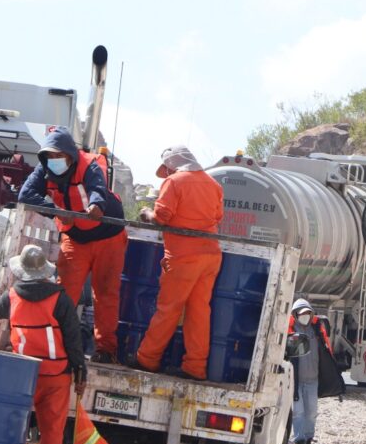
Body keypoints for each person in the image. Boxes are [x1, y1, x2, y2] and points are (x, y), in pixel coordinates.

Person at [18, 126, 127, 364]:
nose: (54, 160)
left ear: (70, 154)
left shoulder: (89, 165)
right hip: (76, 238)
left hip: (109, 236)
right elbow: (25, 195)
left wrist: (96, 207)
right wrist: (56, 212)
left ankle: (106, 349)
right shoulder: (43, 170)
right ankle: (57, 343)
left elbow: (97, 188)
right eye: (50, 156)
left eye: (59, 155)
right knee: (65, 293)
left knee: (106, 294)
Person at [0, 244, 87, 444]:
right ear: (45, 272)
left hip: (23, 373)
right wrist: (79, 369)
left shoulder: (11, 296)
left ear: (21, 271)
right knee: (52, 433)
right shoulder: (60, 299)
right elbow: (73, 339)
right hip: (56, 375)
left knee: (13, 428)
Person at [131, 145, 223, 380]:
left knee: (168, 309)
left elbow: (162, 218)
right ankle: (195, 366)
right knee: (199, 311)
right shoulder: (213, 185)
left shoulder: (174, 182)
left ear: (171, 165)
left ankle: (147, 359)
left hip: (181, 256)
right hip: (211, 256)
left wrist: (146, 213)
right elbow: (217, 217)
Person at [287, 298, 345, 444]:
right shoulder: (290, 331)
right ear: (296, 314)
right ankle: (299, 442)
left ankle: (308, 442)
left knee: (311, 412)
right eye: (302, 313)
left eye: (307, 313)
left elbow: (326, 354)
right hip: (295, 380)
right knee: (298, 412)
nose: (305, 316)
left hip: (313, 380)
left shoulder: (316, 331)